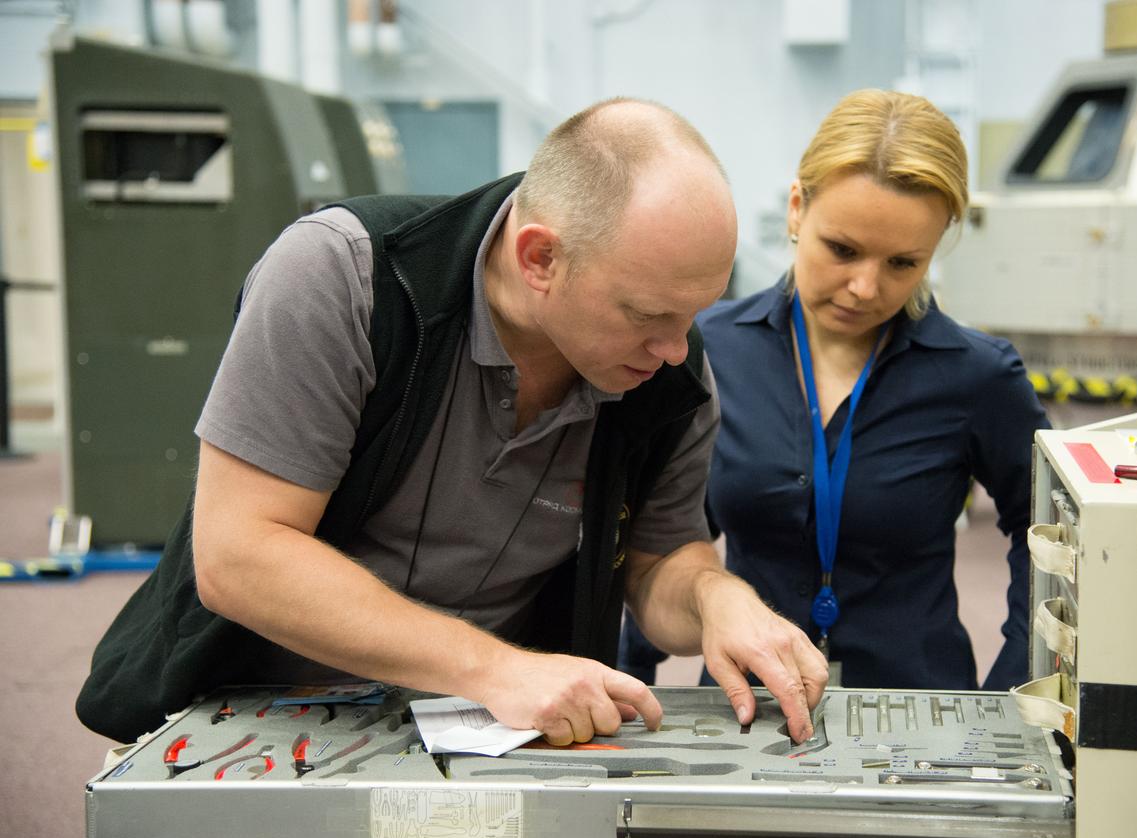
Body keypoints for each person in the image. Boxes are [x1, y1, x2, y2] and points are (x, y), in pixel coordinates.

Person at [76, 98, 827, 745]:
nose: (672, 351)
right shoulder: (347, 278)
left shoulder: (671, 378)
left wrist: (715, 598)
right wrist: (493, 667)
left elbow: (660, 560)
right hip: (259, 705)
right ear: (539, 259)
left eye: (693, 314)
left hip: (495, 731)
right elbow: (239, 556)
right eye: (646, 316)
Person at [621, 89, 1049, 692]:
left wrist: (1015, 686)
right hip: (748, 704)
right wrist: (627, 675)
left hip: (917, 709)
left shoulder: (977, 376)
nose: (864, 287)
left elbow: (1049, 532)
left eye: (902, 263)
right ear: (797, 209)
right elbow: (662, 531)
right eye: (842, 250)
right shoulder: (707, 352)